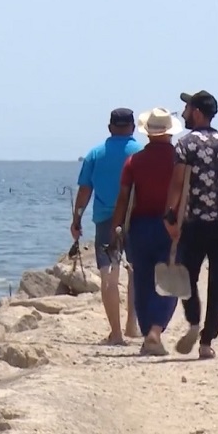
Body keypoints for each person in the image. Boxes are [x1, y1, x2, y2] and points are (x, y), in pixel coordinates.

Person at [164, 90, 218, 359]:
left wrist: (169, 215)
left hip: (195, 223)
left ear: (198, 112)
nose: (185, 113)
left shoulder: (186, 144)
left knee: (186, 279)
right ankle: (207, 341)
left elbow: (178, 184)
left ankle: (193, 321)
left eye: (188, 108)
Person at [111, 107, 184, 356]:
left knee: (142, 281)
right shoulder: (179, 160)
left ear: (148, 133)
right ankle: (155, 330)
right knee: (169, 280)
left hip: (140, 226)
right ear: (169, 132)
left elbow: (123, 197)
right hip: (170, 225)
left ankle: (147, 335)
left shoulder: (134, 161)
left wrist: (115, 227)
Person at [72, 107, 144, 345]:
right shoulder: (141, 153)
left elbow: (84, 191)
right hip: (136, 219)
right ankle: (132, 325)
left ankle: (116, 333)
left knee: (109, 276)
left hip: (105, 220)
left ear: (110, 127)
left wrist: (76, 219)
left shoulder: (95, 154)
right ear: (133, 128)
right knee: (135, 271)